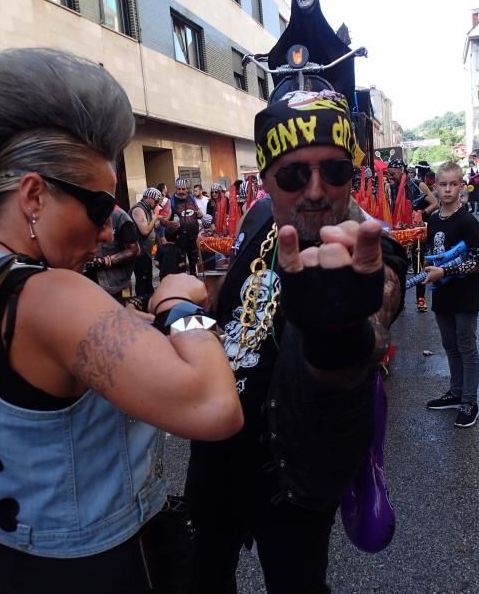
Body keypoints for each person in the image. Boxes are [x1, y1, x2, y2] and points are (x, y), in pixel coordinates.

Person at [0, 47, 243, 593]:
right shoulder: (50, 295)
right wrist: (179, 306)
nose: (106, 231)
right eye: (99, 208)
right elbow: (214, 407)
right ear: (33, 195)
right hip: (86, 564)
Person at [185, 90, 408, 594]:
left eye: (333, 171)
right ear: (265, 179)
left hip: (293, 477)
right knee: (203, 578)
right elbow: (229, 312)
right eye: (292, 174)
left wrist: (342, 323)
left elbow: (377, 316)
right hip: (215, 459)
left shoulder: (366, 245)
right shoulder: (258, 221)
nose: (315, 191)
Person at [425, 161, 479, 428]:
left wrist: (445, 271)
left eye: (453, 184)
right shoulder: (433, 220)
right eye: (443, 184)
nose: (448, 189)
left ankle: (469, 401)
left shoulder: (468, 221)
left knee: (466, 346)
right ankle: (456, 391)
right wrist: (430, 271)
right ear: (435, 187)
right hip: (442, 295)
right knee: (449, 345)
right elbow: (433, 254)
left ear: (462, 187)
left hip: (465, 295)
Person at [386, 158, 438, 312]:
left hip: (416, 232)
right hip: (397, 233)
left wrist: (422, 213)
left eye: (392, 174)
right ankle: (400, 300)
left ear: (401, 171)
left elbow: (434, 203)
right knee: (399, 267)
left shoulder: (417, 184)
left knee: (418, 266)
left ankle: (420, 299)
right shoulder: (388, 187)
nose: (389, 177)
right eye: (388, 174)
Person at [84, 205, 140, 302]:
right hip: (91, 282)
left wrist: (105, 261)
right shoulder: (84, 214)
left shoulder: (120, 217)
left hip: (116, 284)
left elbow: (134, 250)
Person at [129, 187, 161, 296]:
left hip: (146, 252)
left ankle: (148, 305)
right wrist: (155, 217)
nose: (157, 204)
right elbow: (145, 231)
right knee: (142, 283)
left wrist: (163, 222)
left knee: (148, 282)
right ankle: (141, 306)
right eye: (156, 201)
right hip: (140, 253)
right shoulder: (138, 209)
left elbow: (152, 227)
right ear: (149, 198)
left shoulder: (147, 209)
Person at [169, 178, 202, 275]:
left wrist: (199, 213)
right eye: (179, 189)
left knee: (193, 264)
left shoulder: (191, 198)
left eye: (183, 189)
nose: (181, 191)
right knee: (181, 266)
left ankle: (193, 284)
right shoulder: (171, 201)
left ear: (187, 189)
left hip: (193, 237)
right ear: (176, 189)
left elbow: (197, 211)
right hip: (179, 238)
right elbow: (165, 220)